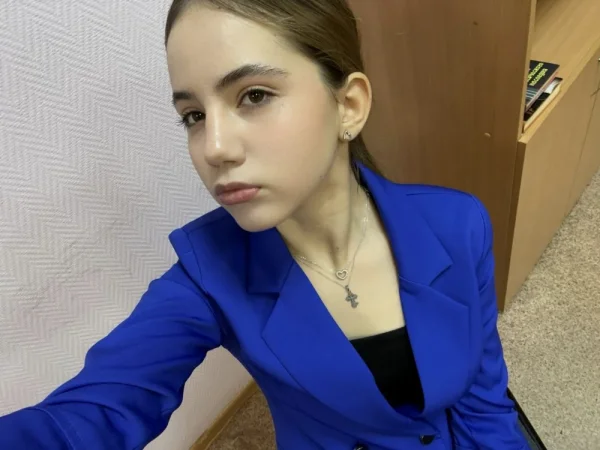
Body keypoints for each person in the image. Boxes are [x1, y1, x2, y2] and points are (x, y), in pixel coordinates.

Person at [0, 0, 530, 449]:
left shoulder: (458, 225)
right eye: (193, 115)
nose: (214, 148)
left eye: (253, 95)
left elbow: (483, 400)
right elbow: (92, 414)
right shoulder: (209, 276)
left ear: (349, 105)